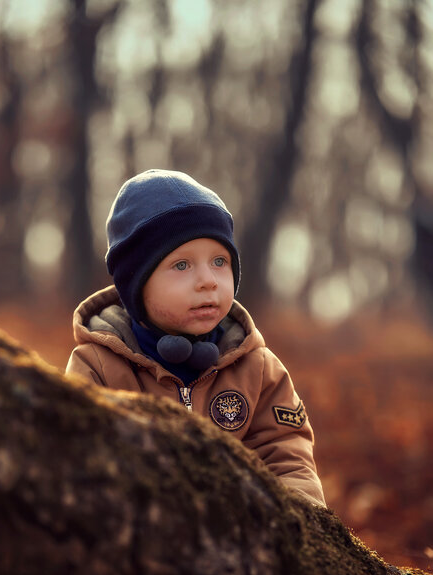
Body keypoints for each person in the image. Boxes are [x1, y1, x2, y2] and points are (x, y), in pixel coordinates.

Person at [66, 169, 325, 506]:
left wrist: (300, 526)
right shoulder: (97, 366)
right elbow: (79, 458)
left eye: (220, 261)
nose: (208, 281)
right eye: (182, 265)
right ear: (136, 286)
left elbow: (288, 458)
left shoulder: (259, 369)